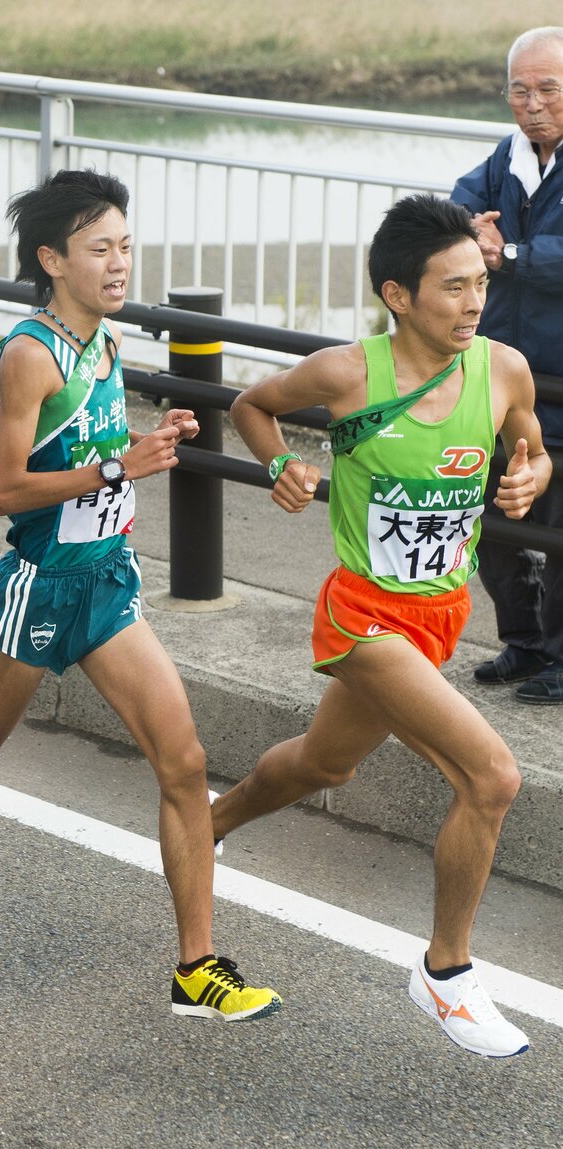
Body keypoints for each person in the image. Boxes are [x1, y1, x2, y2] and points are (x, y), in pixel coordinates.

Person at [0, 169, 281, 1024]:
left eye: (126, 247)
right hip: (37, 584)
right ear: (52, 259)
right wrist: (116, 468)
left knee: (182, 763)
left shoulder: (104, 342)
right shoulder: (30, 355)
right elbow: (5, 488)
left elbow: (96, 442)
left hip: (105, 582)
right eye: (99, 248)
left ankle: (196, 965)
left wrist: (143, 441)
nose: (118, 263)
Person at [212, 194, 549, 1058]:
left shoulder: (503, 367)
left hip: (438, 615)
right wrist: (282, 463)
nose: (472, 302)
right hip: (361, 615)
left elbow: (530, 443)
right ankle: (445, 974)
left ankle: (202, 825)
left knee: (323, 763)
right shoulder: (346, 374)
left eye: (478, 283)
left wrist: (527, 476)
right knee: (491, 776)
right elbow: (251, 405)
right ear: (397, 296)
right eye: (451, 288)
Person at [451, 26, 563, 704]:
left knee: (557, 533)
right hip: (497, 379)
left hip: (559, 383)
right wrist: (470, 230)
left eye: (548, 88)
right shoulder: (507, 156)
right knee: (489, 523)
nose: (532, 104)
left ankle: (559, 654)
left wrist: (511, 255)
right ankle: (522, 642)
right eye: (518, 90)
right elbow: (455, 207)